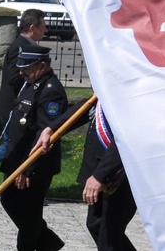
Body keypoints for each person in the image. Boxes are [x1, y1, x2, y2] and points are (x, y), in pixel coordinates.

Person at [32, 99, 137, 250]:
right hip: (102, 168)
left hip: (120, 173)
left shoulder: (129, 93)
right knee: (97, 224)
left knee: (109, 235)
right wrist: (51, 128)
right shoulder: (108, 87)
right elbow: (86, 108)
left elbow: (127, 137)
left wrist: (100, 175)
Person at [0, 45, 67, 251]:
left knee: (29, 213)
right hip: (18, 158)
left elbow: (45, 136)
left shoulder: (51, 91)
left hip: (35, 165)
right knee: (9, 202)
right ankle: (49, 242)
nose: (21, 72)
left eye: (26, 67)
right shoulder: (32, 83)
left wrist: (28, 168)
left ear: (42, 65)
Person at [0, 9, 46, 127]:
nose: (45, 30)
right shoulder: (19, 47)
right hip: (12, 107)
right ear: (32, 28)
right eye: (43, 26)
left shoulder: (27, 44)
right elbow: (14, 77)